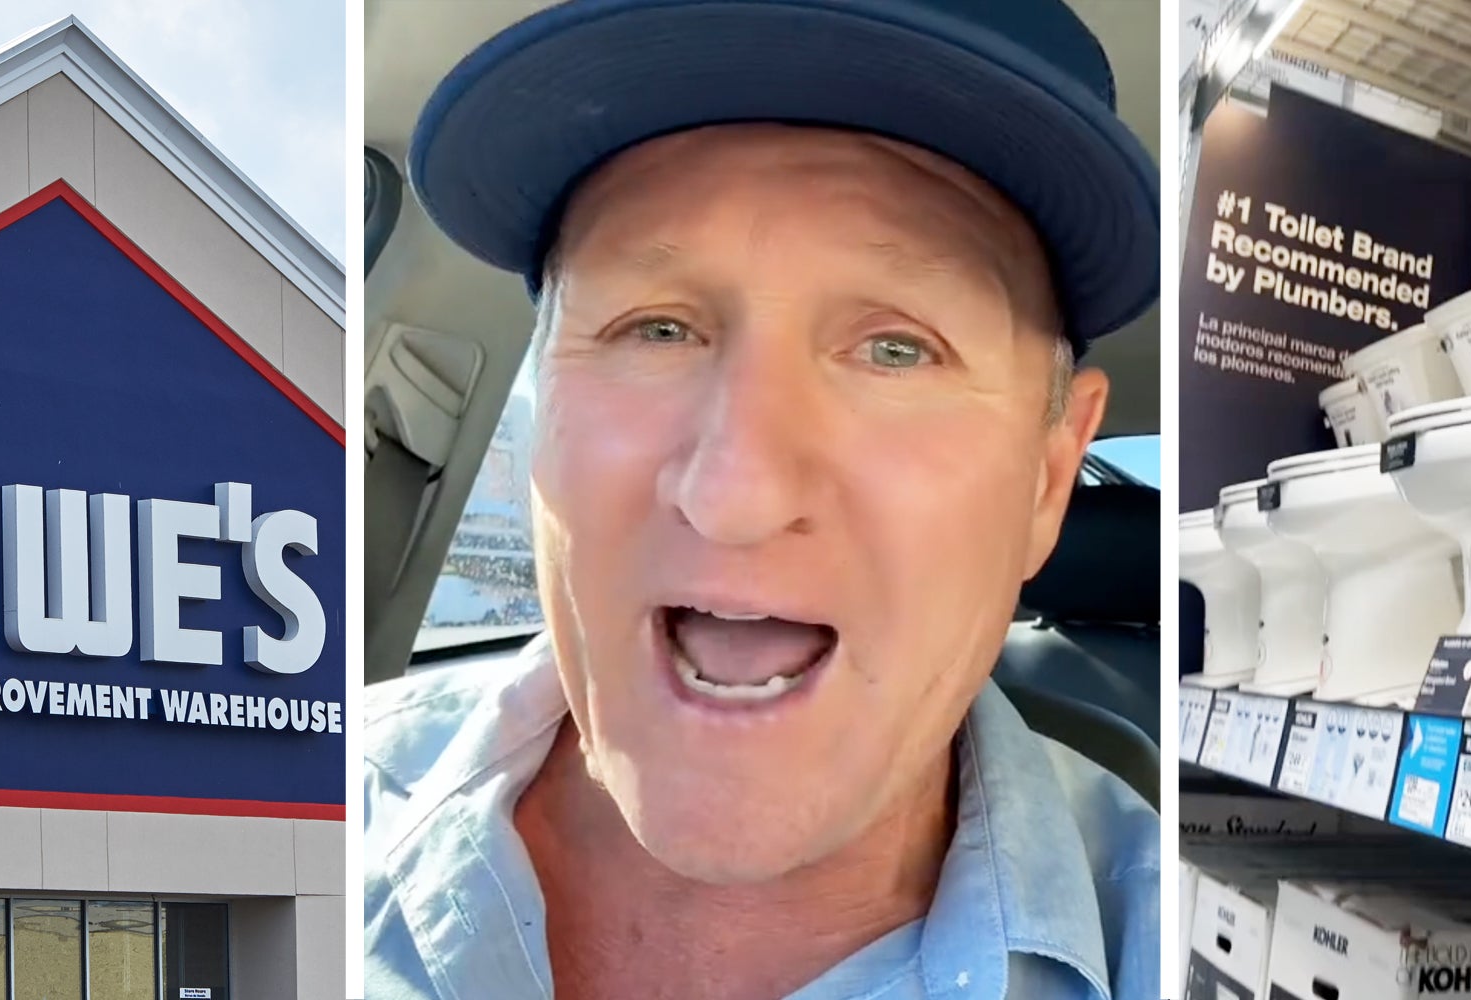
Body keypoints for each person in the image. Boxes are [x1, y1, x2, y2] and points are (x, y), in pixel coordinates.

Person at [364, 1, 1161, 998]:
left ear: (1047, 480)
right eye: (655, 329)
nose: (732, 494)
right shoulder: (280, 803)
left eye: (896, 349)